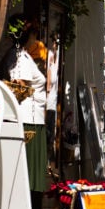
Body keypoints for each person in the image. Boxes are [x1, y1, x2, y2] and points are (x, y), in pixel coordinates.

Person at [0, 15, 47, 209]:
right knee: (29, 173)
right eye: (35, 34)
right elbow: (21, 88)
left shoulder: (24, 56)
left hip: (34, 118)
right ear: (30, 34)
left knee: (33, 174)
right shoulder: (19, 57)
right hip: (29, 119)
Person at [45, 34, 60, 171]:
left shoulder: (56, 57)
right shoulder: (49, 56)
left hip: (53, 104)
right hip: (47, 104)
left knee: (51, 136)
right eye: (55, 42)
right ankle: (48, 164)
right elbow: (49, 82)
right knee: (48, 135)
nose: (56, 45)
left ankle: (50, 164)